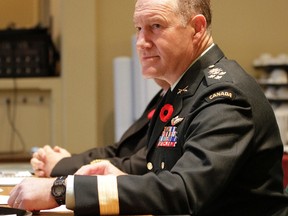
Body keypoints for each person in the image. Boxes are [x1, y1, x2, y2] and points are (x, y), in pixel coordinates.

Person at [8, 0, 288, 215]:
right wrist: (119, 177)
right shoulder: (182, 89)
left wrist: (62, 189)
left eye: (156, 26)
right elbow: (161, 169)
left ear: (197, 28)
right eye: (138, 28)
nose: (141, 42)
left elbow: (185, 191)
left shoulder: (225, 96)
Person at [30, 78, 170, 177]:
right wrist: (65, 159)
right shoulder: (164, 93)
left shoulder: (181, 97)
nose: (141, 43)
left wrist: (61, 165)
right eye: (139, 34)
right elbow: (120, 150)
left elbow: (143, 164)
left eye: (155, 34)